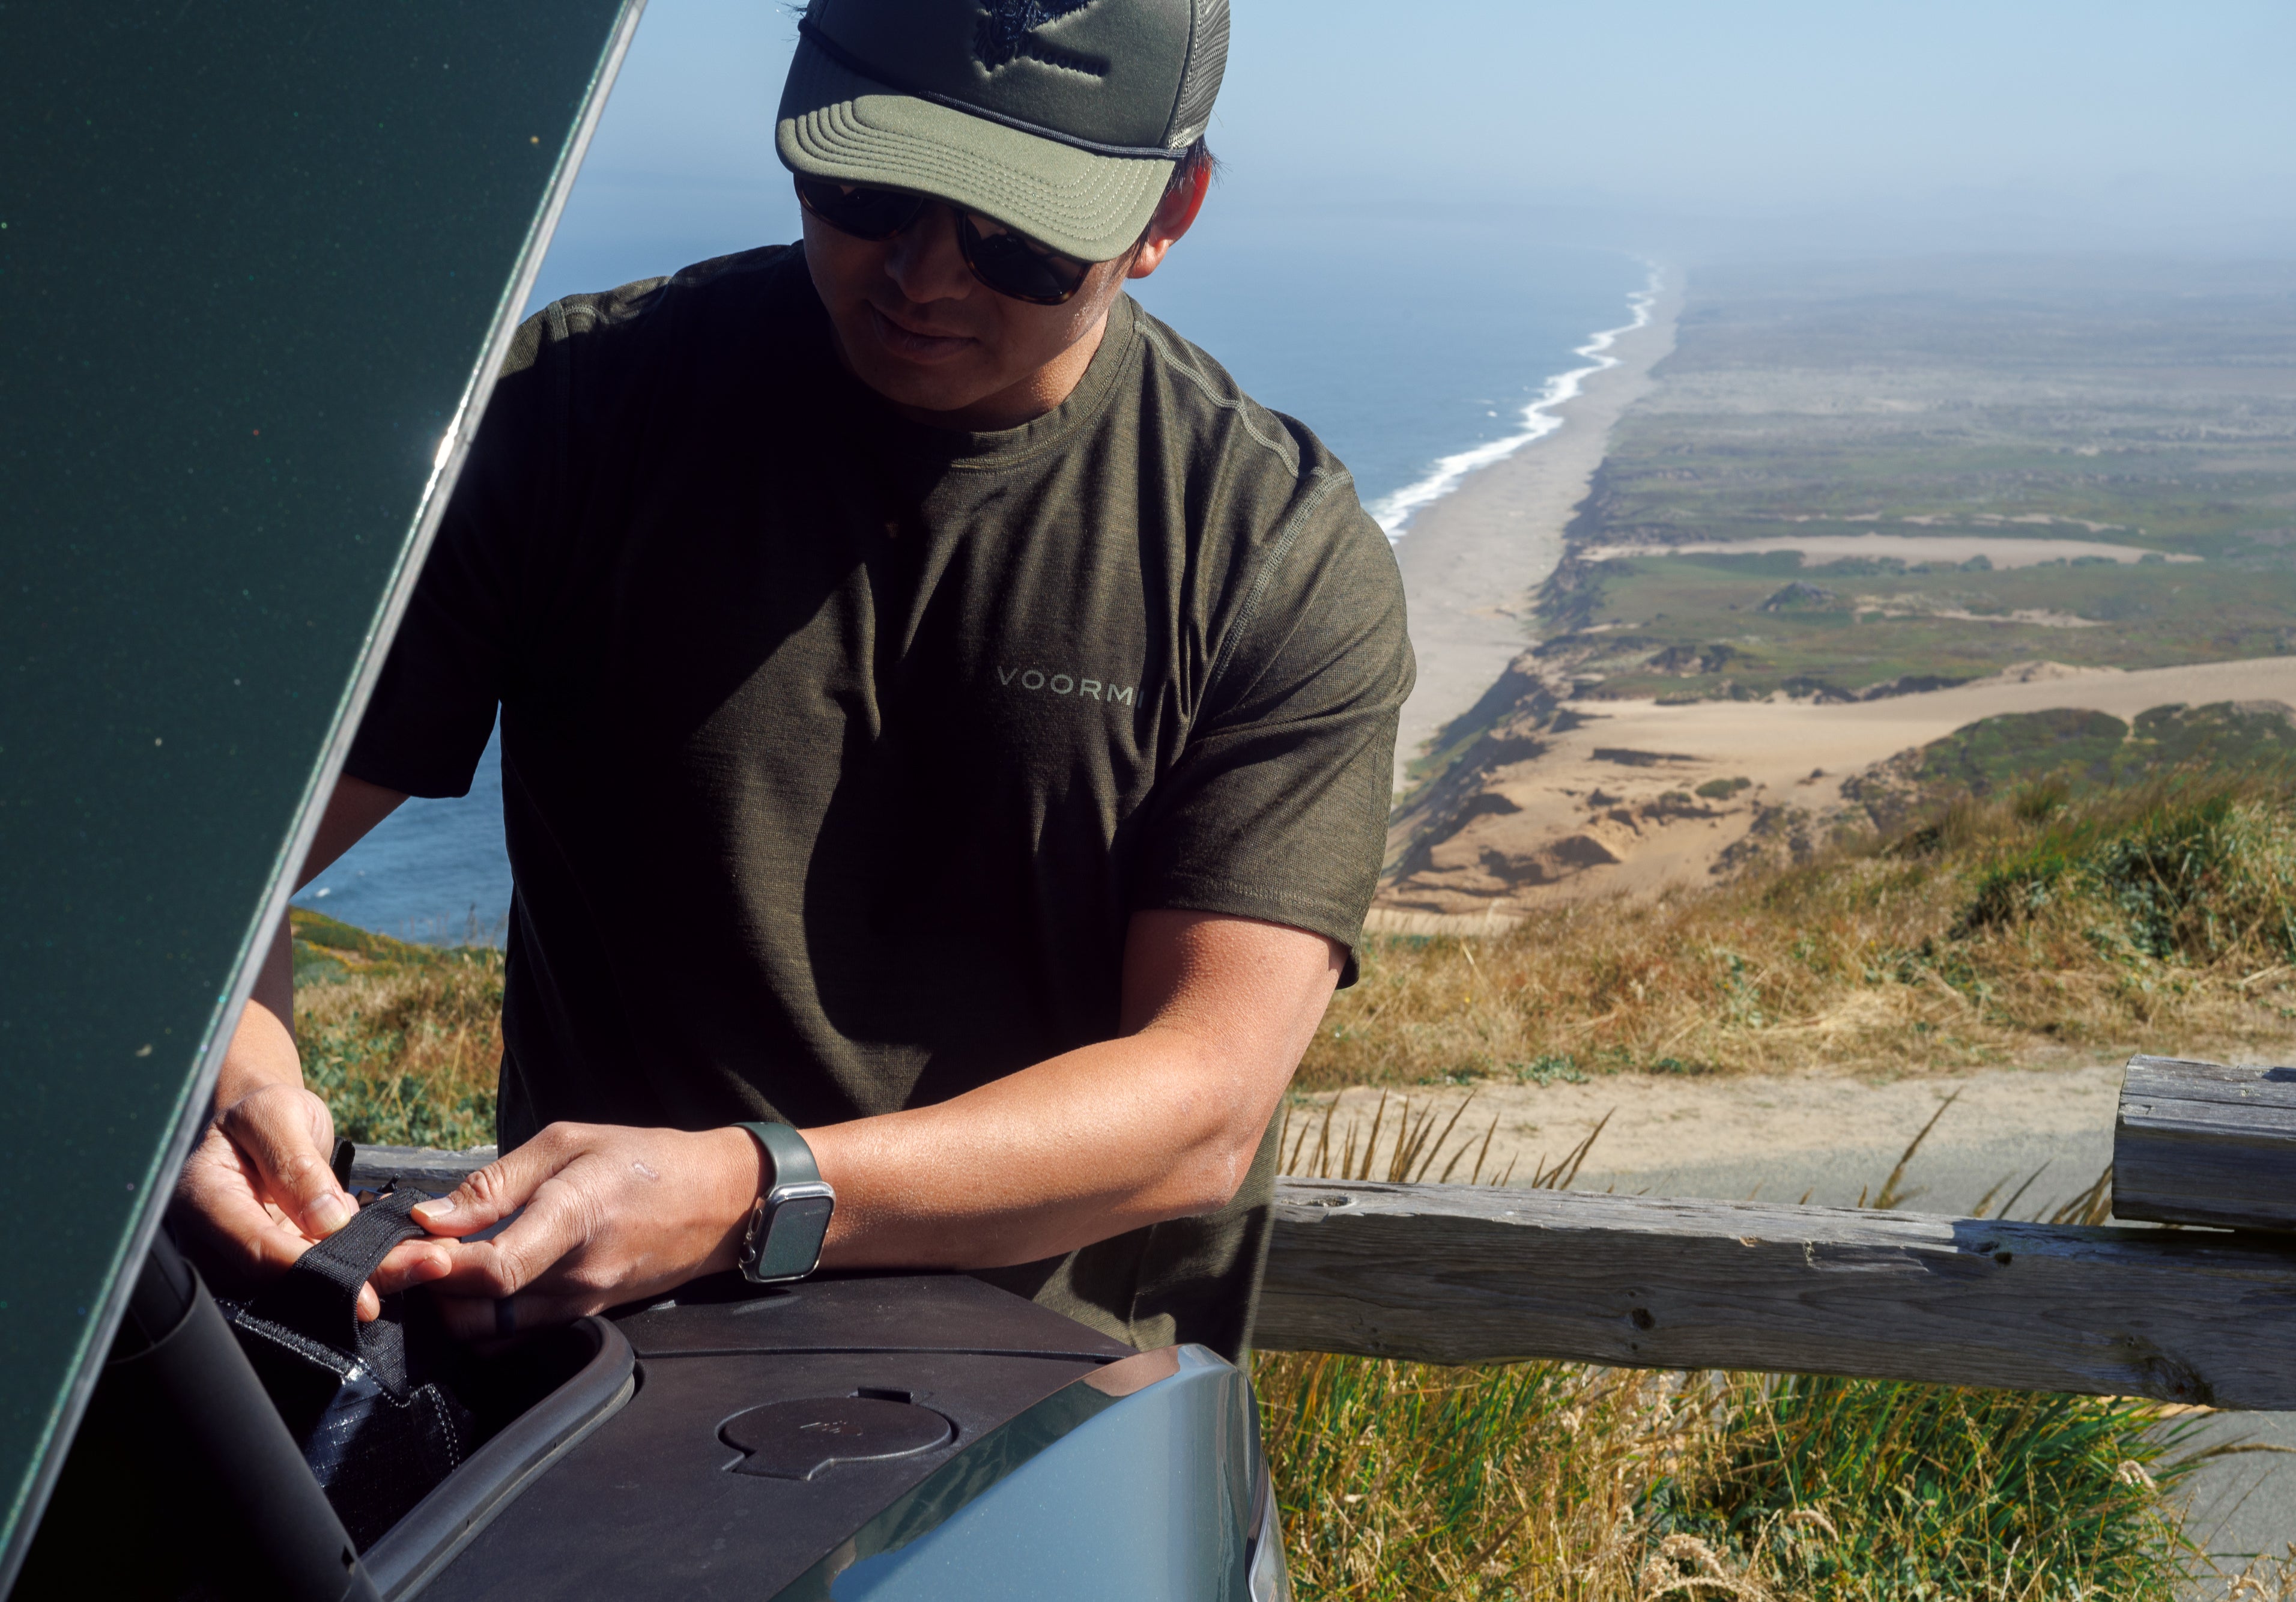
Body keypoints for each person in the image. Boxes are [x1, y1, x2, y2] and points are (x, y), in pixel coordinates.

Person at [173, 0, 1412, 1361]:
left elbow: (1201, 1104)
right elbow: (207, 850)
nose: (923, 274)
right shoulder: (578, 413)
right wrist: (239, 1064)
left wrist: (750, 1193)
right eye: (865, 189)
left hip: (1054, 1408)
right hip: (580, 1373)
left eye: (1016, 234)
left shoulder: (1269, 549)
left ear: (1166, 212)